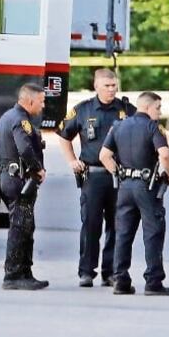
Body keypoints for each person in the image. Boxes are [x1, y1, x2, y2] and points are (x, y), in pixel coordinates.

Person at [58, 68, 135, 287]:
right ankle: (86, 271)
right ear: (96, 86)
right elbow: (64, 135)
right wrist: (72, 160)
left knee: (117, 224)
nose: (112, 90)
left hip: (119, 176)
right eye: (107, 86)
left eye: (114, 85)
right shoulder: (83, 110)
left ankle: (110, 272)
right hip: (92, 175)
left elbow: (142, 129)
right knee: (91, 224)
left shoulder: (126, 109)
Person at [99, 91, 169, 296]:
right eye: (158, 107)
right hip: (147, 186)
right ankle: (153, 282)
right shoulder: (153, 127)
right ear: (148, 107)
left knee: (123, 234)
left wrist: (118, 172)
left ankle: (120, 281)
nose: (160, 112)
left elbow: (104, 155)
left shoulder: (119, 125)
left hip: (125, 186)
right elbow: (165, 154)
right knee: (153, 233)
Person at [0, 83, 49, 290]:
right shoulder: (21, 120)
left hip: (10, 178)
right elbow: (25, 148)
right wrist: (38, 169)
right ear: (29, 101)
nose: (43, 106)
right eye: (41, 101)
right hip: (19, 181)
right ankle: (14, 275)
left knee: (25, 226)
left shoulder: (6, 117)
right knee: (20, 228)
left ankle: (25, 272)